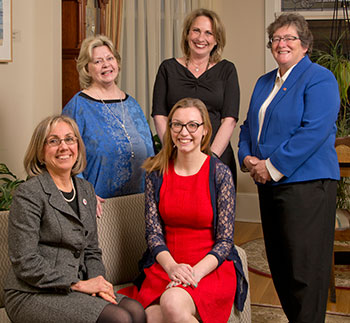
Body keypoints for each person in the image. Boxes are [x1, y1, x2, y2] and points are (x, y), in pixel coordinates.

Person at [238, 13, 340, 323]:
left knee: (305, 271)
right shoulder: (264, 81)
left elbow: (314, 130)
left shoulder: (320, 78)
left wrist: (271, 166)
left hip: (307, 186)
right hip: (269, 185)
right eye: (276, 39)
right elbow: (247, 127)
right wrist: (246, 158)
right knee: (281, 265)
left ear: (305, 44)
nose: (281, 44)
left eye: (289, 38)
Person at [4, 115, 146, 323]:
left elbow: (91, 250)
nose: (63, 147)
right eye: (53, 141)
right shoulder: (29, 193)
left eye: (69, 139)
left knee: (135, 310)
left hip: (76, 287)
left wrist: (99, 283)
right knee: (119, 318)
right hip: (32, 292)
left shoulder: (85, 190)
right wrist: (77, 284)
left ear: (78, 147)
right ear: (41, 152)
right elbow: (25, 261)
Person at [119, 98, 248, 323]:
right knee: (150, 316)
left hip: (209, 268)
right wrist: (172, 268)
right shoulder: (156, 173)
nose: (184, 132)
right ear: (170, 129)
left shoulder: (219, 174)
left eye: (192, 125)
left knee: (171, 301)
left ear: (205, 130)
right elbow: (153, 233)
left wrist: (192, 275)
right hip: (166, 265)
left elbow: (225, 241)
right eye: (177, 125)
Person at [152, 8, 240, 187]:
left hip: (217, 158)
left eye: (209, 33)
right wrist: (173, 150)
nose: (201, 38)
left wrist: (210, 160)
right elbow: (159, 114)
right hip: (177, 158)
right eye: (196, 30)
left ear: (216, 40)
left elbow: (229, 119)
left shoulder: (227, 70)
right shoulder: (167, 68)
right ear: (187, 34)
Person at [63, 35, 154, 200]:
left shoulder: (132, 104)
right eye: (97, 61)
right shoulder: (77, 107)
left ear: (117, 62)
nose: (106, 65)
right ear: (86, 68)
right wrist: (85, 195)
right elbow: (66, 158)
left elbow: (150, 153)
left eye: (109, 58)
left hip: (140, 203)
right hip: (100, 206)